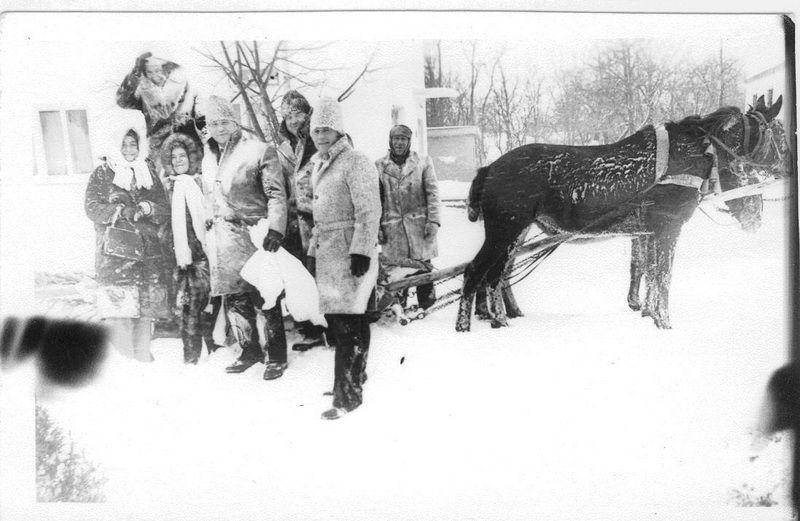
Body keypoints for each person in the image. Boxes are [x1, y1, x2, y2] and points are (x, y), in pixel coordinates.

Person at [200, 95, 289, 380]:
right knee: (236, 298)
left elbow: (276, 194)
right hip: (223, 239)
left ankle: (276, 356)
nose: (219, 128)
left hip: (254, 235)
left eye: (224, 122)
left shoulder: (259, 150)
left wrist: (276, 228)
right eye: (214, 123)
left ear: (235, 122)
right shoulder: (209, 156)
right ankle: (249, 351)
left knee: (266, 295)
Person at [306, 97, 381, 419]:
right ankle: (353, 379)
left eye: (327, 129)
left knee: (347, 323)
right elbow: (319, 216)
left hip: (349, 253)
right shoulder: (320, 163)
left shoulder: (355, 161)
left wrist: (361, 249)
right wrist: (312, 252)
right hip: (329, 252)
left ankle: (346, 396)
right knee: (350, 321)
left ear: (339, 131)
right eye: (316, 130)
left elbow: (369, 209)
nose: (321, 136)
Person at [85, 127, 171, 362]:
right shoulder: (103, 172)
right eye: (124, 144)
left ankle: (142, 361)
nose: (129, 149)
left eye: (133, 144)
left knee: (145, 312)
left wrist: (148, 208)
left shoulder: (147, 172)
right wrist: (120, 211)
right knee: (119, 312)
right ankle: (124, 364)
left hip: (147, 255)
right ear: (116, 146)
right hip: (116, 257)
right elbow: (91, 208)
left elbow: (164, 208)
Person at [265, 90, 326, 351]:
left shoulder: (321, 140)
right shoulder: (282, 150)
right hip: (294, 225)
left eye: (298, 114)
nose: (293, 120)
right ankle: (311, 328)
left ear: (308, 113)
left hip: (319, 220)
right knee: (302, 277)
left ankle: (332, 329)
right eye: (287, 116)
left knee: (324, 274)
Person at [161, 132, 219, 364]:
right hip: (179, 258)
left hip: (203, 254)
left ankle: (215, 353)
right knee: (187, 308)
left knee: (208, 305)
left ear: (190, 157)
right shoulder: (167, 187)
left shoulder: (200, 182)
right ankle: (191, 358)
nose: (178, 161)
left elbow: (212, 209)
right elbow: (162, 219)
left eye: (182, 156)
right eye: (173, 157)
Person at [375, 124, 441, 311]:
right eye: (396, 139)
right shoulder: (379, 165)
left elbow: (433, 194)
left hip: (420, 227)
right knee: (396, 272)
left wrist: (433, 221)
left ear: (409, 142)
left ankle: (427, 308)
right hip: (392, 229)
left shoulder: (423, 162)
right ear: (390, 141)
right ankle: (399, 309)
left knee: (423, 268)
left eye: (403, 139)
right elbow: (376, 200)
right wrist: (377, 227)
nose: (399, 143)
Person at [116, 52, 201, 175]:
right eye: (149, 72)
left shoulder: (183, 86)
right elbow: (122, 101)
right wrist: (135, 73)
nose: (154, 75)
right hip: (157, 149)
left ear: (166, 71)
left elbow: (199, 116)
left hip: (186, 147)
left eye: (157, 70)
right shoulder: (145, 93)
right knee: (159, 181)